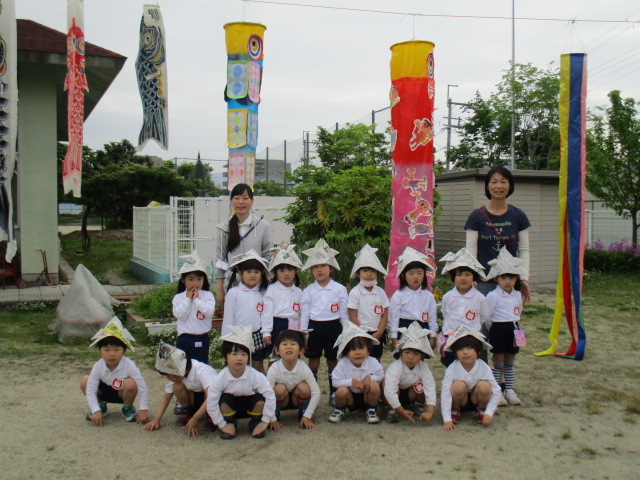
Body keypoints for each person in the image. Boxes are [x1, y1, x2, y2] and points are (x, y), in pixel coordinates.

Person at [464, 166, 532, 303]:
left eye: (503, 181)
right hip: (484, 281)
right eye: (494, 182)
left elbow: (523, 250)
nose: (498, 186)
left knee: (507, 321)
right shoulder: (476, 216)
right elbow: (470, 251)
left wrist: (524, 278)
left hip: (510, 281)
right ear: (487, 186)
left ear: (510, 185)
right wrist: (472, 278)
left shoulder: (519, 215)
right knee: (482, 322)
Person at [300, 239, 349, 407]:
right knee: (313, 360)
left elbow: (344, 315)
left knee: (332, 360)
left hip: (333, 327)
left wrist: (347, 332)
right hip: (314, 327)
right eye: (315, 266)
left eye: (323, 265)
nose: (319, 269)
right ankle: (311, 391)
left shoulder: (339, 289)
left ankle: (334, 391)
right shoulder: (308, 291)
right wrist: (303, 336)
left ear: (331, 267)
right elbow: (304, 315)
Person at [206, 325, 277, 440]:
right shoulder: (221, 378)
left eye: (243, 354)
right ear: (225, 357)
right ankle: (231, 423)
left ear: (248, 356)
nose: (239, 358)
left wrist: (265, 421)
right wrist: (222, 424)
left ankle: (255, 422)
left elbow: (270, 394)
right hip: (231, 407)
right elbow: (211, 402)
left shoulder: (254, 375)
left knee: (260, 399)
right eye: (234, 354)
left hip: (250, 406)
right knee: (223, 400)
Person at [80, 317, 149, 426]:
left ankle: (127, 407)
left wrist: (143, 409)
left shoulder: (129, 365)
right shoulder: (98, 366)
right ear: (100, 351)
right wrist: (95, 410)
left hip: (121, 393)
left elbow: (142, 386)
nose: (112, 354)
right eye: (106, 350)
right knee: (85, 381)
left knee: (131, 383)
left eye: (116, 350)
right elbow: (91, 389)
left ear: (124, 350)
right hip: (103, 392)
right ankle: (100, 406)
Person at [215, 183, 273, 307]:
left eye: (245, 198)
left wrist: (268, 282)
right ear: (231, 201)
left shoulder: (263, 226)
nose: (241, 202)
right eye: (237, 198)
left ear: (252, 201)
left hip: (257, 285)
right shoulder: (223, 228)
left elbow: (268, 256)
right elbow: (220, 260)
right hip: (232, 284)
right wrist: (220, 289)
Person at [144, 343, 218, 436]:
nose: (168, 378)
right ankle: (189, 412)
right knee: (177, 386)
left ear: (177, 372)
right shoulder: (179, 375)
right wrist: (156, 419)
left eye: (168, 375)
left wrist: (196, 418)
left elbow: (212, 396)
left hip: (213, 400)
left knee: (209, 393)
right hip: (196, 398)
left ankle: (211, 416)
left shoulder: (203, 372)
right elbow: (166, 397)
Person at [485, 247, 527, 406]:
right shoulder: (493, 296)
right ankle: (497, 391)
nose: (507, 281)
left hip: (514, 329)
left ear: (516, 279)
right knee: (498, 362)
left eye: (511, 277)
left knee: (510, 362)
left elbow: (518, 312)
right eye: (503, 277)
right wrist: (493, 331)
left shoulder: (517, 295)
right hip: (498, 330)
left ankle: (509, 389)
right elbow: (487, 317)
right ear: (497, 278)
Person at [441, 326, 502, 431]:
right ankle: (455, 410)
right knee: (457, 386)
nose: (465, 352)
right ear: (455, 353)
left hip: (477, 400)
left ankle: (481, 410)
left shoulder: (484, 367)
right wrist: (447, 419)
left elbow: (496, 390)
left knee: (485, 386)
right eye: (460, 349)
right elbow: (445, 391)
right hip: (459, 400)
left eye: (469, 348)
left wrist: (489, 412)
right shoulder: (452, 368)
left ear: (478, 351)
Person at [439, 248, 490, 367]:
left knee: (469, 364)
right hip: (451, 336)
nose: (463, 278)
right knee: (451, 364)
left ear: (474, 277)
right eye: (459, 275)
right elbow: (446, 314)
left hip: (470, 338)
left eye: (467, 275)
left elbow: (484, 316)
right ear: (453, 277)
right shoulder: (448, 296)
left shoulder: (479, 298)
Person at [222, 249, 270, 373]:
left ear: (262, 272)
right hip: (237, 336)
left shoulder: (264, 292)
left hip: (256, 334)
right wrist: (227, 340)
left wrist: (266, 333)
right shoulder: (234, 293)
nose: (252, 275)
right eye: (248, 272)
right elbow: (228, 318)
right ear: (240, 272)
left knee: (257, 366)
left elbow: (265, 315)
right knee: (239, 366)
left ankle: (260, 391)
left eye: (256, 272)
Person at [328, 323, 384, 424]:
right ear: (346, 353)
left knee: (375, 386)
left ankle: (371, 410)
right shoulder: (342, 364)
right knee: (341, 391)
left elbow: (381, 376)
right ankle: (340, 409)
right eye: (353, 349)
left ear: (368, 351)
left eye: (361, 348)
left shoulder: (373, 362)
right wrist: (351, 382)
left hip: (366, 395)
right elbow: (335, 381)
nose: (357, 352)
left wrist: (370, 378)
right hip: (350, 398)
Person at [382, 321, 437, 424]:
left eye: (416, 354)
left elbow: (430, 387)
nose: (410, 357)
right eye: (407, 353)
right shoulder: (395, 367)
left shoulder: (423, 367)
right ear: (400, 352)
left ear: (422, 356)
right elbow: (390, 391)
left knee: (420, 384)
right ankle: (390, 408)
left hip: (410, 394)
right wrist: (400, 411)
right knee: (385, 383)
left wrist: (430, 411)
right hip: (395, 393)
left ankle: (418, 405)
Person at [266, 330, 320, 430]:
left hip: (297, 399)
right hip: (282, 400)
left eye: (293, 344)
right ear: (277, 350)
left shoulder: (303, 368)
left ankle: (303, 412)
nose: (289, 347)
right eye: (284, 344)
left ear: (301, 351)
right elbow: (266, 393)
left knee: (304, 388)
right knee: (278, 389)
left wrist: (308, 415)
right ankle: (275, 413)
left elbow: (316, 392)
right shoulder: (274, 369)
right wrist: (272, 419)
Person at [388, 247, 437, 350]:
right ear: (403, 275)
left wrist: (433, 335)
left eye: (419, 273)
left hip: (422, 329)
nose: (416, 277)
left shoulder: (428, 296)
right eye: (411, 273)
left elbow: (432, 317)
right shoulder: (398, 296)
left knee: (419, 356)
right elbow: (394, 317)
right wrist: (394, 337)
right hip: (404, 328)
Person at [262, 243, 304, 362]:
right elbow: (267, 312)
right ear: (275, 272)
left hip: (294, 327)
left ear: (295, 271)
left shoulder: (299, 292)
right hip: (277, 325)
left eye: (290, 269)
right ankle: (273, 380)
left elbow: (302, 313)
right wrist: (266, 332)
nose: (286, 274)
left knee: (292, 358)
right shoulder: (271, 290)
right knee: (275, 358)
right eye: (281, 270)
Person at [347, 244, 390, 361]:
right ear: (358, 273)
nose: (369, 274)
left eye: (372, 270)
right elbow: (352, 314)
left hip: (377, 332)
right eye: (365, 270)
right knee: (361, 359)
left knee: (376, 359)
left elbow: (385, 313)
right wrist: (361, 331)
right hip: (361, 333)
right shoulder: (355, 292)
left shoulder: (380, 292)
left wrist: (380, 331)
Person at [172, 250, 215, 365]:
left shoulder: (207, 295)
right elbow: (179, 314)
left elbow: (209, 311)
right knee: (182, 367)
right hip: (184, 338)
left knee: (200, 366)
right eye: (191, 279)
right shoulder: (179, 297)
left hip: (201, 337)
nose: (195, 283)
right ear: (183, 280)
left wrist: (196, 300)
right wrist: (187, 299)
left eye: (199, 279)